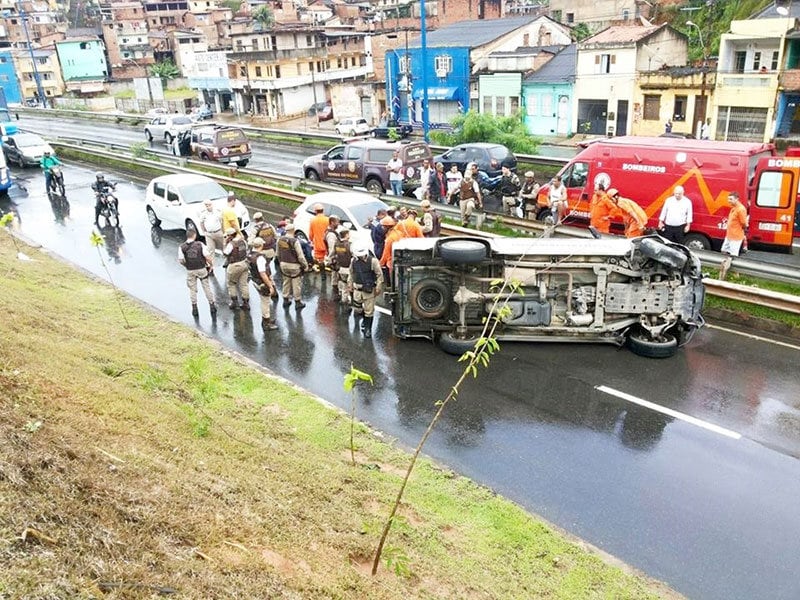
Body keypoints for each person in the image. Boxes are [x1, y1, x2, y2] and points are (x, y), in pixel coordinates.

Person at [178, 228, 216, 318]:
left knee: (192, 289)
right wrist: (211, 265)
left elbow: (180, 260)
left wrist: (186, 265)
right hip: (202, 269)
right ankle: (212, 306)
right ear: (194, 235)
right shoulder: (200, 245)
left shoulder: (181, 247)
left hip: (190, 270)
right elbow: (207, 257)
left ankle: (194, 307)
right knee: (206, 287)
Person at [349, 244, 384, 338]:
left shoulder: (373, 261)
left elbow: (379, 275)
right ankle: (364, 320)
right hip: (357, 290)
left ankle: (368, 329)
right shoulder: (353, 261)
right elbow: (351, 273)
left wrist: (378, 287)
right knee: (358, 309)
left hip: (368, 290)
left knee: (369, 311)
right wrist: (350, 284)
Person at [247, 237, 278, 331]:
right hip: (262, 282)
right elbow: (263, 273)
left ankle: (266, 320)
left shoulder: (249, 255)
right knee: (265, 302)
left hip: (255, 280)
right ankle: (266, 323)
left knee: (264, 300)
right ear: (261, 245)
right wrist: (270, 285)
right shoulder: (260, 258)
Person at [276, 223, 308, 309]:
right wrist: (305, 266)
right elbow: (300, 256)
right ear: (293, 230)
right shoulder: (295, 241)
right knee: (296, 283)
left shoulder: (280, 240)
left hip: (283, 264)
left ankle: (285, 300)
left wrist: (281, 262)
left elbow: (277, 254)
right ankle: (297, 302)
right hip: (294, 265)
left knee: (286, 282)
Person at [223, 227, 250, 310]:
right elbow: (247, 250)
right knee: (244, 284)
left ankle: (234, 302)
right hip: (244, 263)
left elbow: (225, 253)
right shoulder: (243, 241)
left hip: (234, 265)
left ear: (230, 236)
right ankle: (246, 303)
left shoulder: (231, 244)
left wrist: (224, 244)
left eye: (226, 236)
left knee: (231, 283)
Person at [721, 191, 748, 257]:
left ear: (737, 199)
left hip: (735, 237)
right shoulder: (734, 208)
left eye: (731, 199)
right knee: (723, 250)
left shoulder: (741, 209)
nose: (729, 201)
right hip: (729, 235)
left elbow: (744, 223)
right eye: (728, 199)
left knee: (733, 255)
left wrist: (742, 231)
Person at [332, 228, 353, 307]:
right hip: (348, 268)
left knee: (343, 283)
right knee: (349, 284)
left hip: (340, 268)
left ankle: (343, 299)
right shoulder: (349, 244)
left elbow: (333, 254)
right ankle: (349, 301)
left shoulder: (337, 244)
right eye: (349, 234)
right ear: (346, 235)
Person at [308, 202, 329, 270]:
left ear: (315, 211)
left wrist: (311, 240)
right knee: (325, 259)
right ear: (323, 210)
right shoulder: (327, 220)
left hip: (317, 244)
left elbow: (311, 235)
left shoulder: (313, 220)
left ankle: (320, 271)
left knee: (318, 259)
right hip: (326, 244)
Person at [324, 215, 341, 293]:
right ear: (332, 222)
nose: (338, 224)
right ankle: (336, 292)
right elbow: (332, 248)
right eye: (337, 222)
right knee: (336, 276)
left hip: (333, 258)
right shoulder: (331, 235)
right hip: (335, 259)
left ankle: (335, 291)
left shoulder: (330, 232)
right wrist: (330, 259)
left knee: (335, 275)